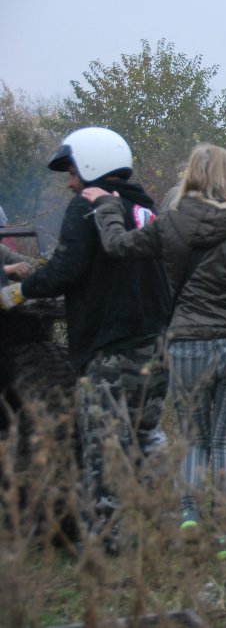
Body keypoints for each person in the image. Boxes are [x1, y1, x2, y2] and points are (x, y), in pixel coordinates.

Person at [81, 144, 226, 541]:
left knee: (193, 438)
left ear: (190, 176)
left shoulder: (169, 222)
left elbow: (117, 247)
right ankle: (224, 532)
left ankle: (189, 516)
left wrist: (108, 209)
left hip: (187, 345)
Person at [0, 127, 171, 551]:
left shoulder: (86, 207)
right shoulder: (143, 209)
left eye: (73, 171)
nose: (70, 182)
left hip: (111, 348)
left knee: (102, 452)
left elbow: (66, 269)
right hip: (155, 344)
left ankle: (104, 547)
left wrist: (18, 292)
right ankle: (177, 520)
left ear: (92, 165)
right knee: (147, 439)